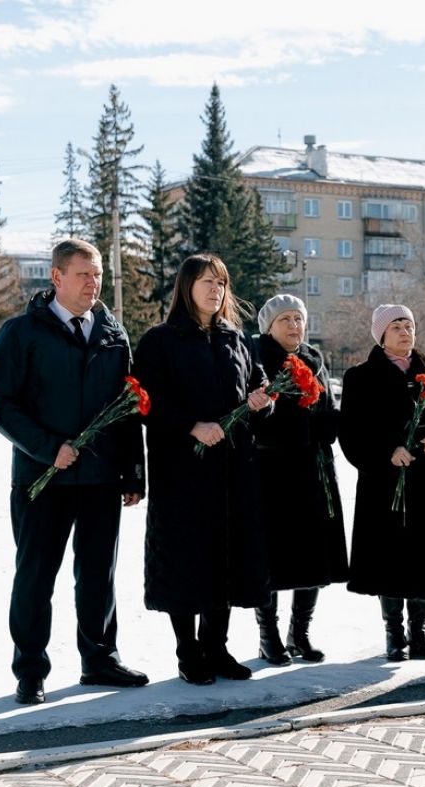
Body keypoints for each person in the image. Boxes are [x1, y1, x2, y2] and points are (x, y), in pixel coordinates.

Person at [0, 238, 147, 705]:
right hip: (43, 480)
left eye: (97, 274)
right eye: (83, 274)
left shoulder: (113, 334)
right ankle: (30, 670)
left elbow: (128, 407)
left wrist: (133, 472)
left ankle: (99, 658)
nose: (93, 283)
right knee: (36, 574)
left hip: (99, 479)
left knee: (99, 572)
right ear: (56, 277)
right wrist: (45, 448)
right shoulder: (21, 333)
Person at [132, 254, 272, 685]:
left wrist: (263, 403)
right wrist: (191, 426)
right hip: (183, 472)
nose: (216, 290)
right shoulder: (161, 340)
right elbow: (145, 401)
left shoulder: (236, 338)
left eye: (222, 283)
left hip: (233, 469)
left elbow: (258, 387)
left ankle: (217, 645)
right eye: (207, 281)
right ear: (186, 286)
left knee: (226, 557)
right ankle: (187, 650)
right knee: (186, 559)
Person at [340, 305, 425, 661]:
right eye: (396, 326)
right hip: (386, 484)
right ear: (381, 335)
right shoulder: (360, 377)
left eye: (409, 325)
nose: (405, 332)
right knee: (390, 559)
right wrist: (386, 451)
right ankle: (394, 635)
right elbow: (350, 433)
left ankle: (420, 633)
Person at [250, 294, 348, 665]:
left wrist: (329, 423)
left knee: (314, 553)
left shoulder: (313, 359)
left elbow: (326, 408)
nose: (294, 326)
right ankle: (268, 635)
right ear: (269, 326)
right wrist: (303, 427)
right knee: (273, 556)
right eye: (285, 319)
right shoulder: (259, 359)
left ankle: (300, 632)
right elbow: (259, 418)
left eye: (298, 318)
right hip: (273, 471)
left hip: (314, 468)